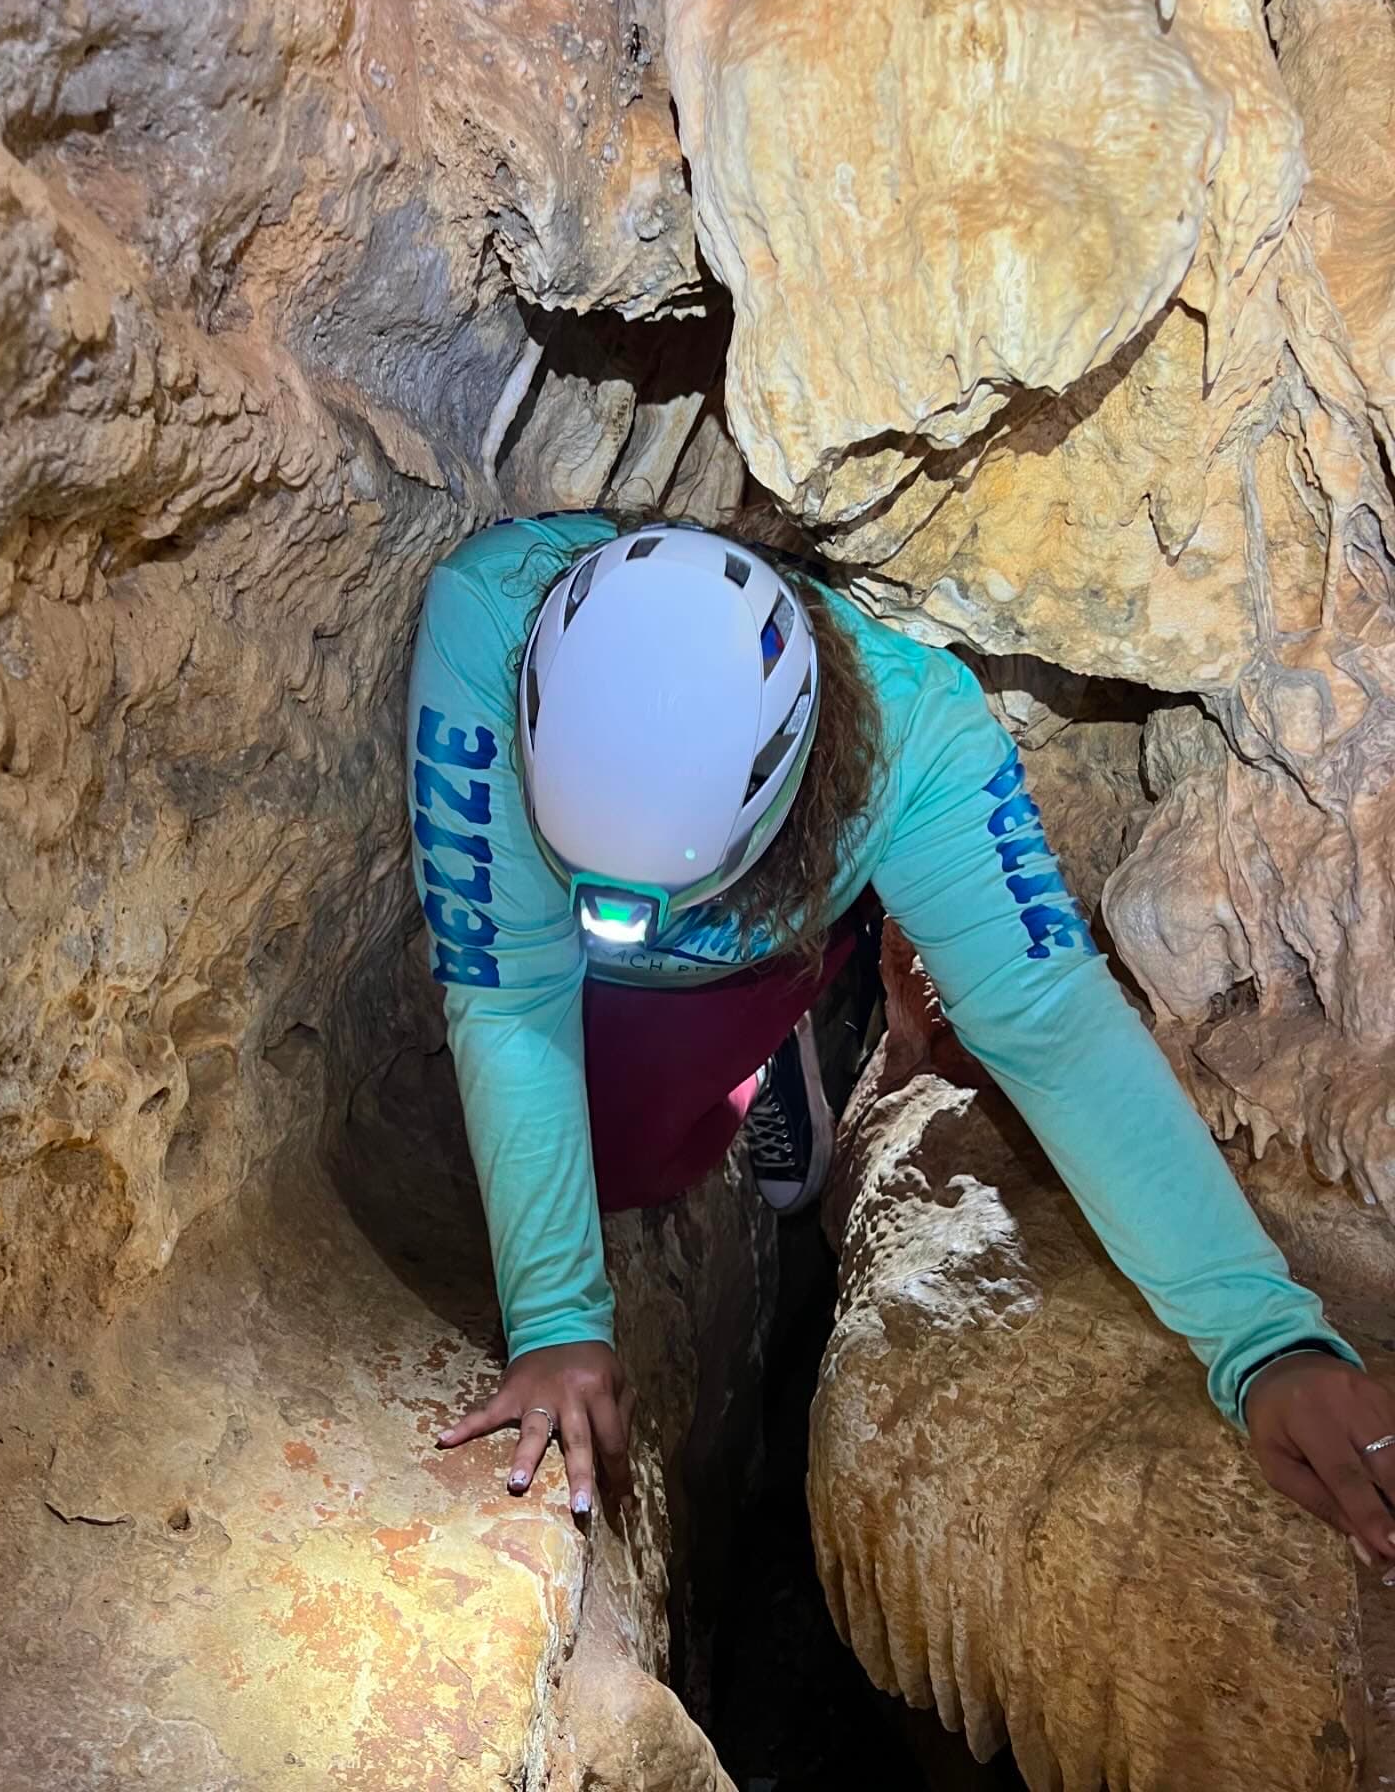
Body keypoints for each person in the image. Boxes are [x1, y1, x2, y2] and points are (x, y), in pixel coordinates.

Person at [407, 510, 1395, 1575]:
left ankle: (772, 1046)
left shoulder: (921, 738)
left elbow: (1050, 1021)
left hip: (763, 942)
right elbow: (508, 996)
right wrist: (558, 1322)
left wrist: (1265, 1340)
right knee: (569, 1140)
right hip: (572, 936)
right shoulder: (484, 626)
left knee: (639, 1158)